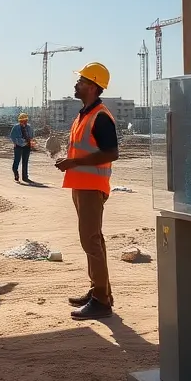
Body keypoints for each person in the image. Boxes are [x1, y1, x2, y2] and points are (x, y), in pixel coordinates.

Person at [55, 63, 120, 321]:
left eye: (81, 80)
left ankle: (101, 301)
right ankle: (99, 291)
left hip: (92, 187)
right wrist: (70, 162)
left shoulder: (101, 117)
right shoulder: (85, 114)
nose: (76, 84)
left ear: (92, 86)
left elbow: (111, 153)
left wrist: (74, 163)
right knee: (93, 240)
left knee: (90, 241)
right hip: (82, 185)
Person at [10, 112, 34, 183]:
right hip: (18, 146)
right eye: (23, 120)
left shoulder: (29, 127)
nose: (24, 122)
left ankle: (25, 177)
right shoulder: (16, 127)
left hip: (27, 146)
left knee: (25, 162)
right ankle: (16, 174)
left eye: (25, 120)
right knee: (17, 161)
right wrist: (16, 142)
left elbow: (31, 136)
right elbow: (12, 136)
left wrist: (30, 142)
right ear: (20, 121)